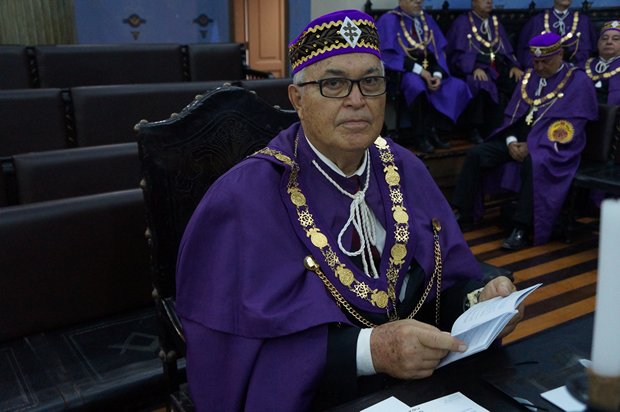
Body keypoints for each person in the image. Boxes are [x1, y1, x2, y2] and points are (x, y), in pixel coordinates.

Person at [175, 10, 522, 411]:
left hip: (427, 386)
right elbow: (234, 353)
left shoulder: (405, 166)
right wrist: (370, 351)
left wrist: (480, 299)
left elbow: (444, 279)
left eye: (370, 82)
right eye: (334, 84)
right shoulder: (242, 198)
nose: (357, 101)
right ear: (297, 99)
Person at [451, 32, 598, 250]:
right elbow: (512, 116)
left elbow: (570, 127)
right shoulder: (530, 77)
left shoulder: (578, 81)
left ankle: (521, 228)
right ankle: (463, 212)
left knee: (535, 162)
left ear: (560, 55)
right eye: (535, 61)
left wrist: (534, 146)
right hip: (520, 140)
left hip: (556, 146)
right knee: (477, 154)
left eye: (545, 62)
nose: (539, 67)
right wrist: (511, 141)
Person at [376, 0, 473, 153]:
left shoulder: (426, 19)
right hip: (404, 71)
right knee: (416, 86)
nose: (418, 1)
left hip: (430, 68)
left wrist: (437, 74)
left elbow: (438, 52)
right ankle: (420, 135)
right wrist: (420, 71)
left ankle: (437, 131)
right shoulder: (388, 20)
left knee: (457, 86)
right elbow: (387, 56)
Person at [446, 0, 523, 142]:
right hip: (473, 69)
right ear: (474, 3)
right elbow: (456, 55)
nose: (489, 1)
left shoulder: (494, 22)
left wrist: (514, 66)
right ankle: (475, 130)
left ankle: (515, 128)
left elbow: (506, 50)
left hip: (498, 67)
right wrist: (474, 67)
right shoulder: (463, 22)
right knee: (479, 82)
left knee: (519, 80)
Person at [517, 0, 595, 69]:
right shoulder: (538, 20)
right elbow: (526, 52)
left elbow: (590, 53)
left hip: (575, 71)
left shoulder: (583, 21)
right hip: (544, 70)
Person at [583, 20, 620, 105]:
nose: (609, 42)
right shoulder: (584, 66)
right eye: (604, 38)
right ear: (598, 42)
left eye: (616, 39)